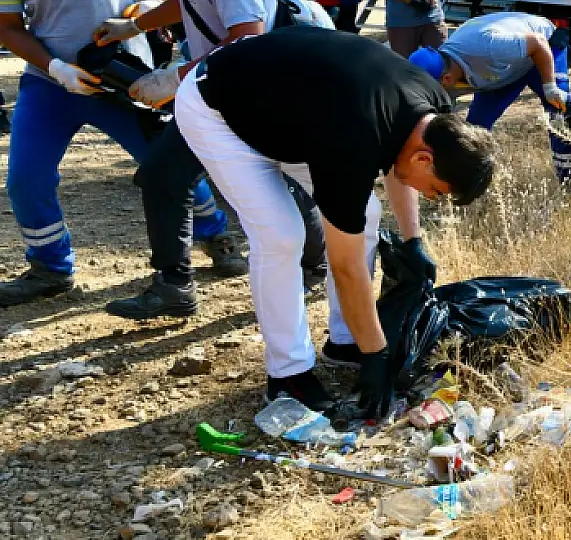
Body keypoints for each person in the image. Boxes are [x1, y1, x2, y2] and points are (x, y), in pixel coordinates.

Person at [171, 26, 497, 413]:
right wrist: (377, 354)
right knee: (281, 235)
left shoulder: (434, 114)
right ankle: (288, 374)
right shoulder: (354, 141)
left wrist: (413, 241)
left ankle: (345, 341)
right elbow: (346, 266)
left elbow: (400, 162)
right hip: (218, 107)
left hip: (292, 112)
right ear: (425, 159)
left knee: (367, 213)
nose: (430, 198)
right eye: (436, 191)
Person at [93, 0, 328, 320]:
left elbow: (246, 40)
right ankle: (174, 287)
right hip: (211, 90)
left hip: (255, 92)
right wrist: (134, 26)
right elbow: (189, 1)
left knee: (285, 182)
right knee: (163, 175)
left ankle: (315, 267)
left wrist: (172, 78)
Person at [0, 0, 235, 304]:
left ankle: (216, 235)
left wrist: (154, 3)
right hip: (52, 83)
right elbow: (8, 26)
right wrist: (56, 68)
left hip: (123, 77)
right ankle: (50, 267)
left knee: (165, 163)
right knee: (26, 178)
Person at [407, 12, 571, 181]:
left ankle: (570, 180)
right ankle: (475, 180)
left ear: (446, 79)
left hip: (543, 49)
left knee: (559, 115)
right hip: (502, 70)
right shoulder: (444, 69)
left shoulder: (488, 48)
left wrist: (550, 86)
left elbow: (538, 43)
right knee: (474, 129)